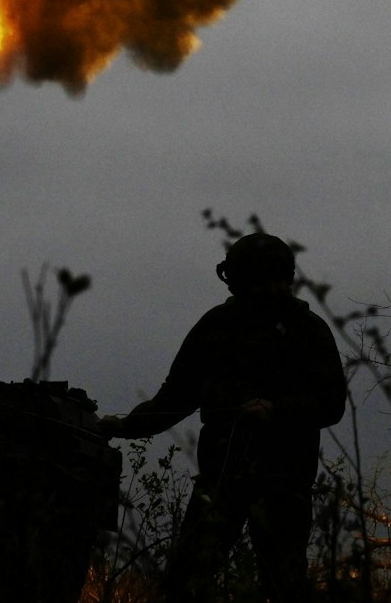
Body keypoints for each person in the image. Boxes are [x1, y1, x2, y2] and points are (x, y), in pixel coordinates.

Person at [98, 232, 346, 603]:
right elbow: (177, 395)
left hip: (284, 483)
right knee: (183, 583)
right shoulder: (216, 325)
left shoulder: (308, 331)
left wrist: (276, 411)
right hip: (220, 479)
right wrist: (126, 427)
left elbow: (332, 404)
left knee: (284, 585)